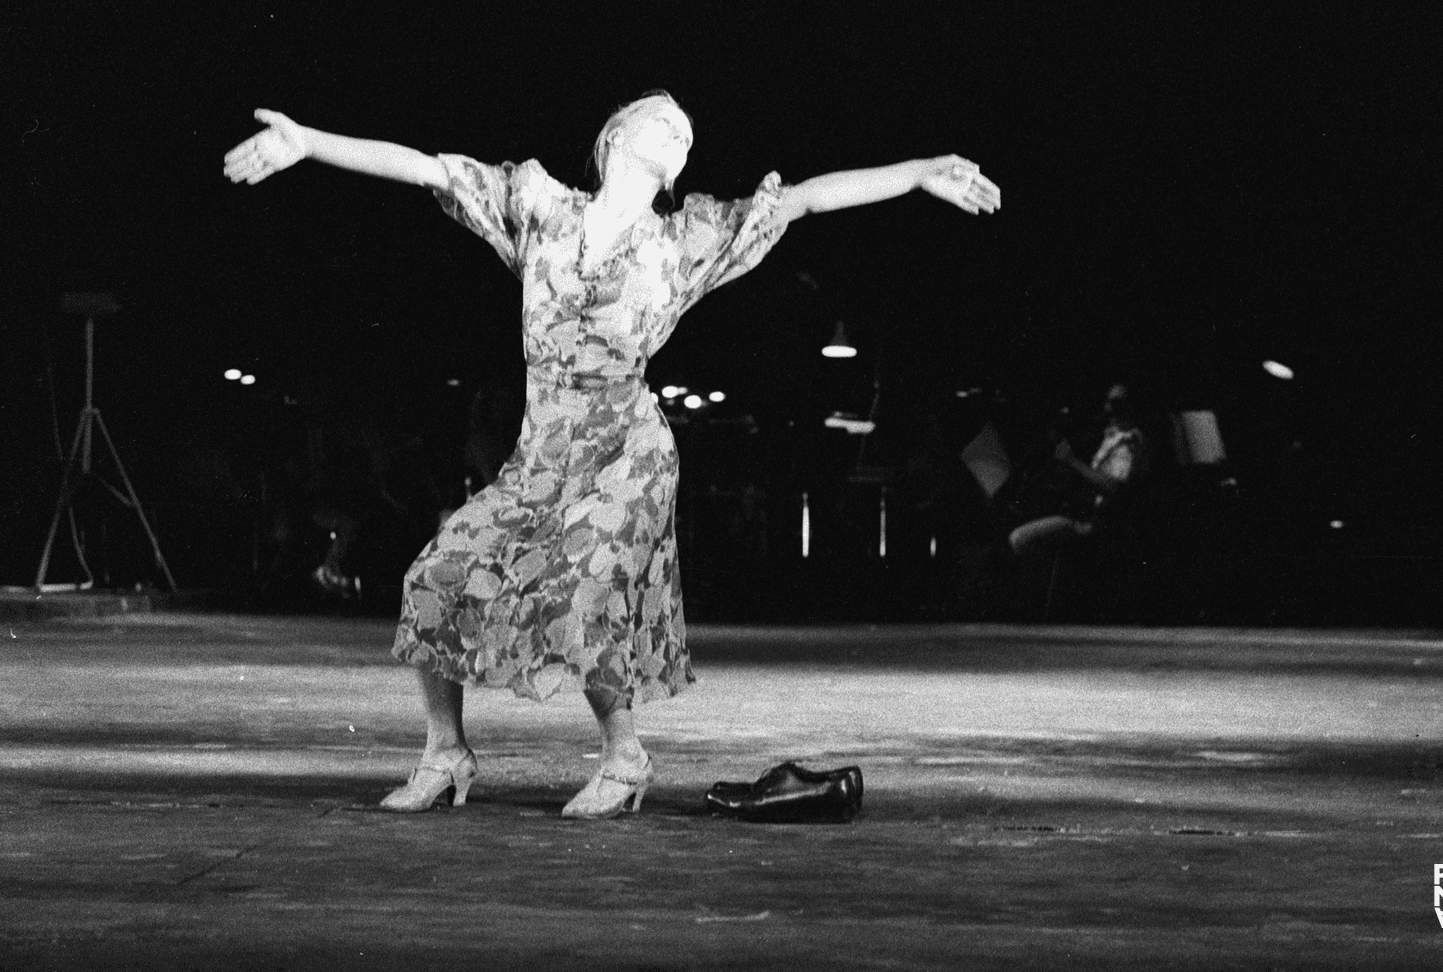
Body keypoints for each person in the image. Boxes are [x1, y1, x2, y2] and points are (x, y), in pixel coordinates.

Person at [224, 92, 1000, 818]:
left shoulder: (684, 240)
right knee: (435, 574)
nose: (681, 135)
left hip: (628, 447)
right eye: (665, 122)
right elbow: (426, 168)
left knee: (586, 583)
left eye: (688, 137)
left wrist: (918, 172)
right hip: (543, 453)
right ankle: (446, 751)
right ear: (616, 137)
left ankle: (625, 756)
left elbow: (802, 199)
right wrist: (307, 142)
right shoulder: (538, 207)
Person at [1008, 382, 1147, 559]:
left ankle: (1052, 570)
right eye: (1108, 401)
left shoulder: (1130, 444)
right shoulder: (1113, 431)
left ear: (1131, 406)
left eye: (1116, 403)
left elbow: (1114, 487)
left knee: (1018, 539)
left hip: (1092, 522)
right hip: (1081, 507)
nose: (1108, 408)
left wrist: (1072, 460)